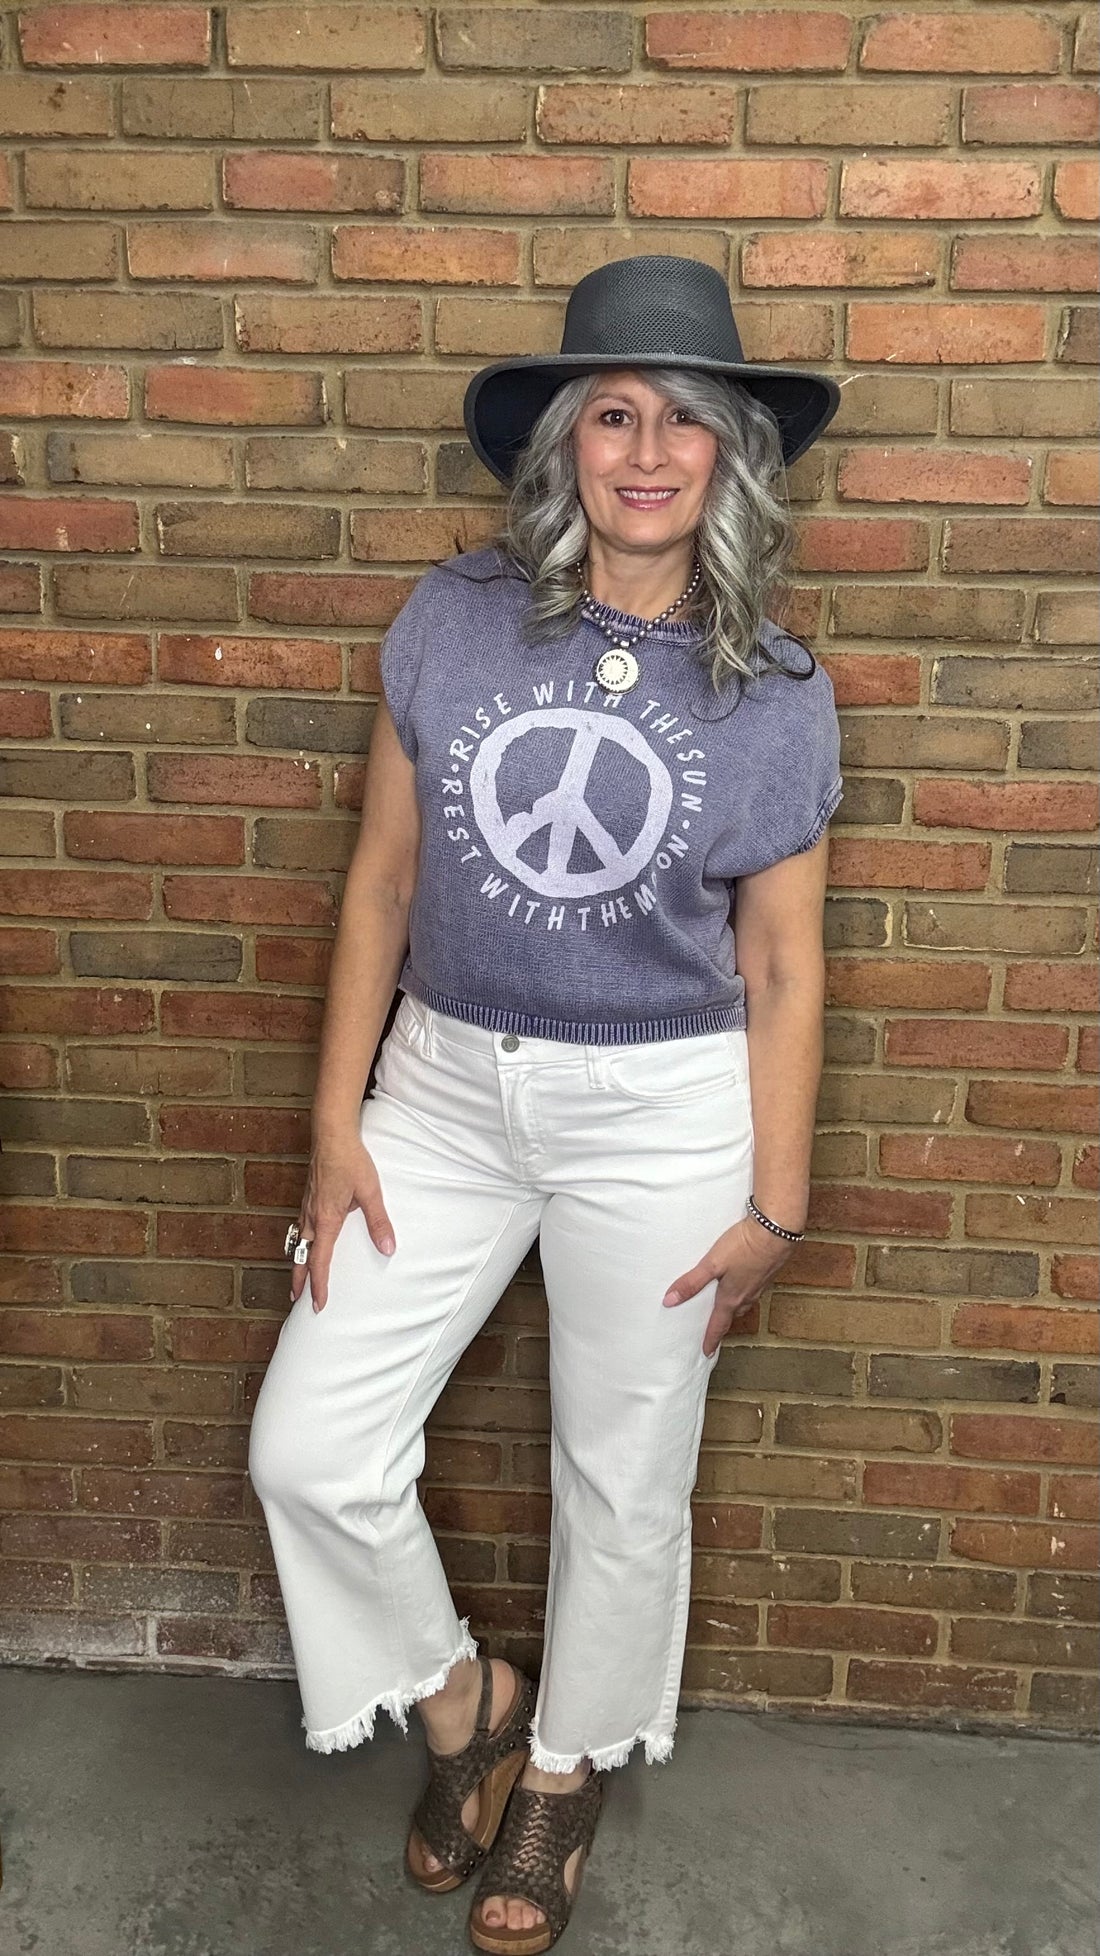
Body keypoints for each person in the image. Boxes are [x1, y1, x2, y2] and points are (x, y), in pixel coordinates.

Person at [247, 254, 843, 1953]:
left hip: (660, 1116)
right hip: (436, 1088)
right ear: (564, 446)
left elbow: (787, 971)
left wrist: (777, 1203)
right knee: (309, 1447)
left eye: (686, 425)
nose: (646, 453)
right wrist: (335, 1119)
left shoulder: (776, 696)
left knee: (622, 1474)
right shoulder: (449, 621)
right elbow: (378, 879)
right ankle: (468, 1707)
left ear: (733, 459)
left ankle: (565, 1775)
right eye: (612, 415)